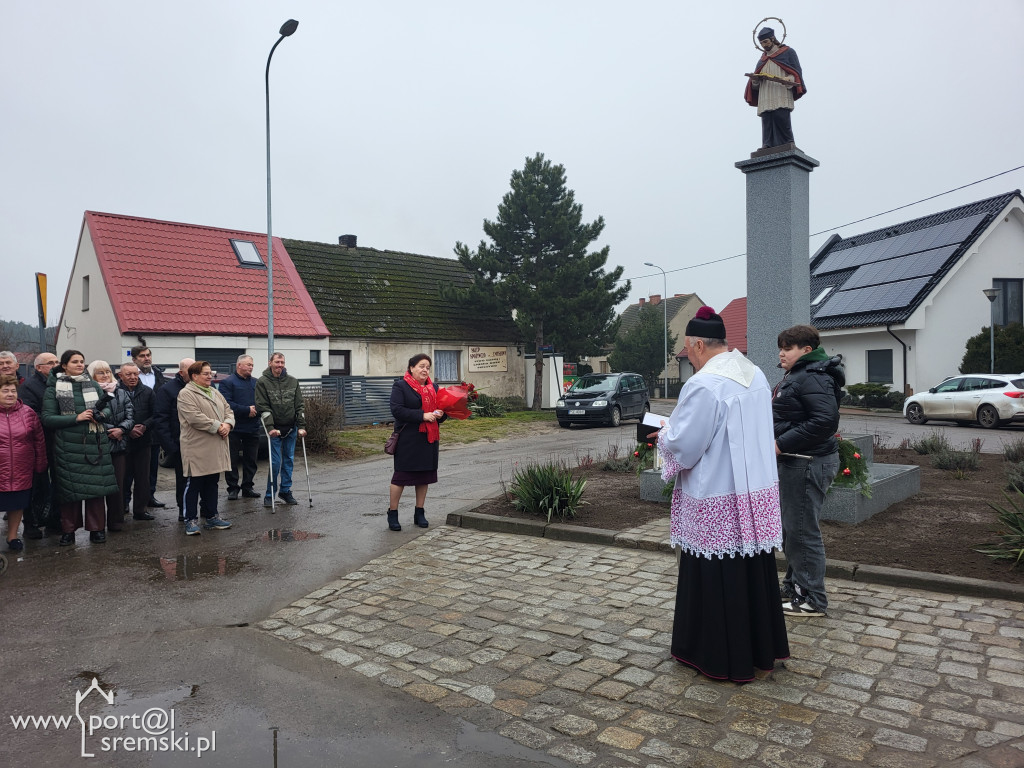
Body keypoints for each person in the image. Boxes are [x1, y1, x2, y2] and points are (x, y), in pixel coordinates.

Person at [651, 307, 789, 682]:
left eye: (687, 349)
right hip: (753, 494)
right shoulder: (755, 374)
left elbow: (686, 445)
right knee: (751, 572)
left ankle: (715, 655)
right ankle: (760, 649)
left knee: (715, 575)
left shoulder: (703, 384)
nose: (689, 357)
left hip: (715, 492)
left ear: (698, 345)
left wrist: (664, 435)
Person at [773, 325, 844, 617]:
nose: (781, 353)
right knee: (793, 529)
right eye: (781, 348)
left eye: (788, 348)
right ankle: (794, 586)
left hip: (806, 461)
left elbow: (825, 421)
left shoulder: (813, 376)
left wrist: (780, 443)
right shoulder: (799, 375)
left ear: (806, 350)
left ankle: (812, 598)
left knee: (801, 531)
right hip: (798, 459)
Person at [41, 350, 120, 545]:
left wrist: (102, 415)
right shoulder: (54, 388)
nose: (79, 365)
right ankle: (68, 531)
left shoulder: (93, 384)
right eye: (74, 361)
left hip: (95, 443)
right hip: (68, 446)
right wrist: (76, 418)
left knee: (96, 490)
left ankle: (97, 529)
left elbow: (106, 408)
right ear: (64, 365)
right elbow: (48, 418)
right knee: (70, 492)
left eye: (82, 361)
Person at [386, 353, 448, 531]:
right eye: (421, 366)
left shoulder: (434, 388)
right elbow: (397, 410)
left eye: (428, 367)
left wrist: (441, 414)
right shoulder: (401, 386)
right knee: (401, 477)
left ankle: (419, 512)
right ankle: (393, 513)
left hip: (428, 439)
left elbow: (442, 413)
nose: (425, 370)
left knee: (423, 476)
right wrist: (422, 415)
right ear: (411, 368)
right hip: (408, 439)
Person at [176, 361, 233, 535]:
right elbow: (194, 417)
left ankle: (212, 516)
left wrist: (228, 424)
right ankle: (190, 520)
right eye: (206, 374)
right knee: (194, 484)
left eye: (211, 373)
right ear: (194, 376)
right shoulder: (186, 394)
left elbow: (228, 410)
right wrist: (218, 426)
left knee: (212, 483)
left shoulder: (215, 392)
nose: (210, 377)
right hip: (197, 447)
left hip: (216, 446)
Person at [0, 374, 47, 551]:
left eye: (13, 391)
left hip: (22, 468)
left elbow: (39, 440)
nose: (10, 394)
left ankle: (12, 536)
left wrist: (41, 464)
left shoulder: (28, 412)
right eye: (5, 391)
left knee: (17, 503)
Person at [88, 360, 134, 532]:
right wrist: (110, 430)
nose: (105, 375)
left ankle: (116, 521)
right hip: (98, 445)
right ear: (92, 375)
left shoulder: (121, 392)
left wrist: (121, 429)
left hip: (119, 445)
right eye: (100, 372)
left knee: (118, 485)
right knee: (99, 487)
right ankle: (97, 525)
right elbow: (92, 416)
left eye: (107, 371)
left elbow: (130, 415)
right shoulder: (89, 392)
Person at [255, 353, 306, 507]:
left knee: (289, 460)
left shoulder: (293, 381)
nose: (280, 365)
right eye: (277, 362)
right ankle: (270, 494)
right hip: (274, 429)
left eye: (282, 362)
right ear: (270, 363)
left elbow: (299, 405)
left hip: (291, 428)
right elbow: (262, 406)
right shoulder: (262, 382)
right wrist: (270, 427)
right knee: (275, 462)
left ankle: (285, 491)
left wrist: (301, 426)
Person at [16, 352, 58, 538]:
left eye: (57, 362)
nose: (55, 365)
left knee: (58, 483)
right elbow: (30, 416)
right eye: (50, 363)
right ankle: (31, 523)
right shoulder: (29, 386)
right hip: (39, 443)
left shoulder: (60, 383)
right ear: (38, 367)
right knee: (37, 484)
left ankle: (54, 519)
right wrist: (56, 421)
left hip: (58, 441)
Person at [744, 26, 806, 149]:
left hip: (780, 90)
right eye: (761, 43)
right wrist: (755, 80)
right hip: (766, 93)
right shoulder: (762, 60)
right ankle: (767, 143)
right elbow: (755, 85)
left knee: (781, 115)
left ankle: (788, 142)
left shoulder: (788, 52)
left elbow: (796, 72)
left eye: (766, 42)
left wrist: (789, 79)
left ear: (773, 39)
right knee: (767, 118)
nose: (764, 45)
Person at [153, 358, 194, 522]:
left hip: (200, 444)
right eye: (190, 371)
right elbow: (160, 419)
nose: (195, 374)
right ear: (181, 372)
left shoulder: (204, 387)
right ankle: (183, 511)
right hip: (179, 445)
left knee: (204, 479)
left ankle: (206, 509)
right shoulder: (167, 390)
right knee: (183, 480)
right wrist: (171, 447)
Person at [117, 362, 157, 522]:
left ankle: (140, 510)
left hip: (143, 441)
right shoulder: (115, 392)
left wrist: (145, 426)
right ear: (120, 376)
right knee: (122, 477)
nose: (133, 377)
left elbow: (156, 414)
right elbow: (112, 416)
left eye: (135, 374)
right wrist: (128, 429)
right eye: (129, 374)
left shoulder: (148, 392)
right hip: (122, 442)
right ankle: (121, 507)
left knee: (142, 478)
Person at [220, 355, 261, 500]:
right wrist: (246, 410)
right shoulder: (227, 382)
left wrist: (256, 410)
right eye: (248, 364)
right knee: (232, 459)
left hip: (252, 427)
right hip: (234, 428)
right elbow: (226, 404)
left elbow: (262, 401)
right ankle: (233, 488)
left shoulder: (256, 382)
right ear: (239, 365)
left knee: (251, 460)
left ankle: (247, 487)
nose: (251, 367)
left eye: (252, 365)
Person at [131, 344, 166, 510]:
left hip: (154, 429)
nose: (146, 359)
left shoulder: (158, 375)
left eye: (148, 355)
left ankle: (149, 496)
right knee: (130, 470)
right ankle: (125, 501)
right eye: (142, 356)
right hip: (132, 429)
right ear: (134, 359)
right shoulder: (130, 375)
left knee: (152, 467)